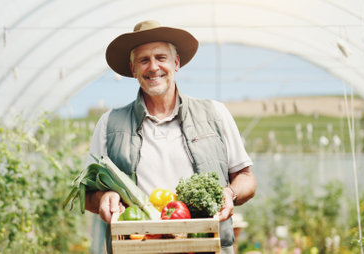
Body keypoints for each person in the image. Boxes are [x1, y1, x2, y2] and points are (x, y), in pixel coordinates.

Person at [85, 20, 257, 254]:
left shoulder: (215, 114)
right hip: (138, 248)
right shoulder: (109, 124)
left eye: (160, 57)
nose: (153, 67)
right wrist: (105, 197)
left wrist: (230, 193)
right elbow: (88, 194)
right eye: (143, 60)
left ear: (176, 62)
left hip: (203, 247)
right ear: (133, 69)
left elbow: (246, 178)